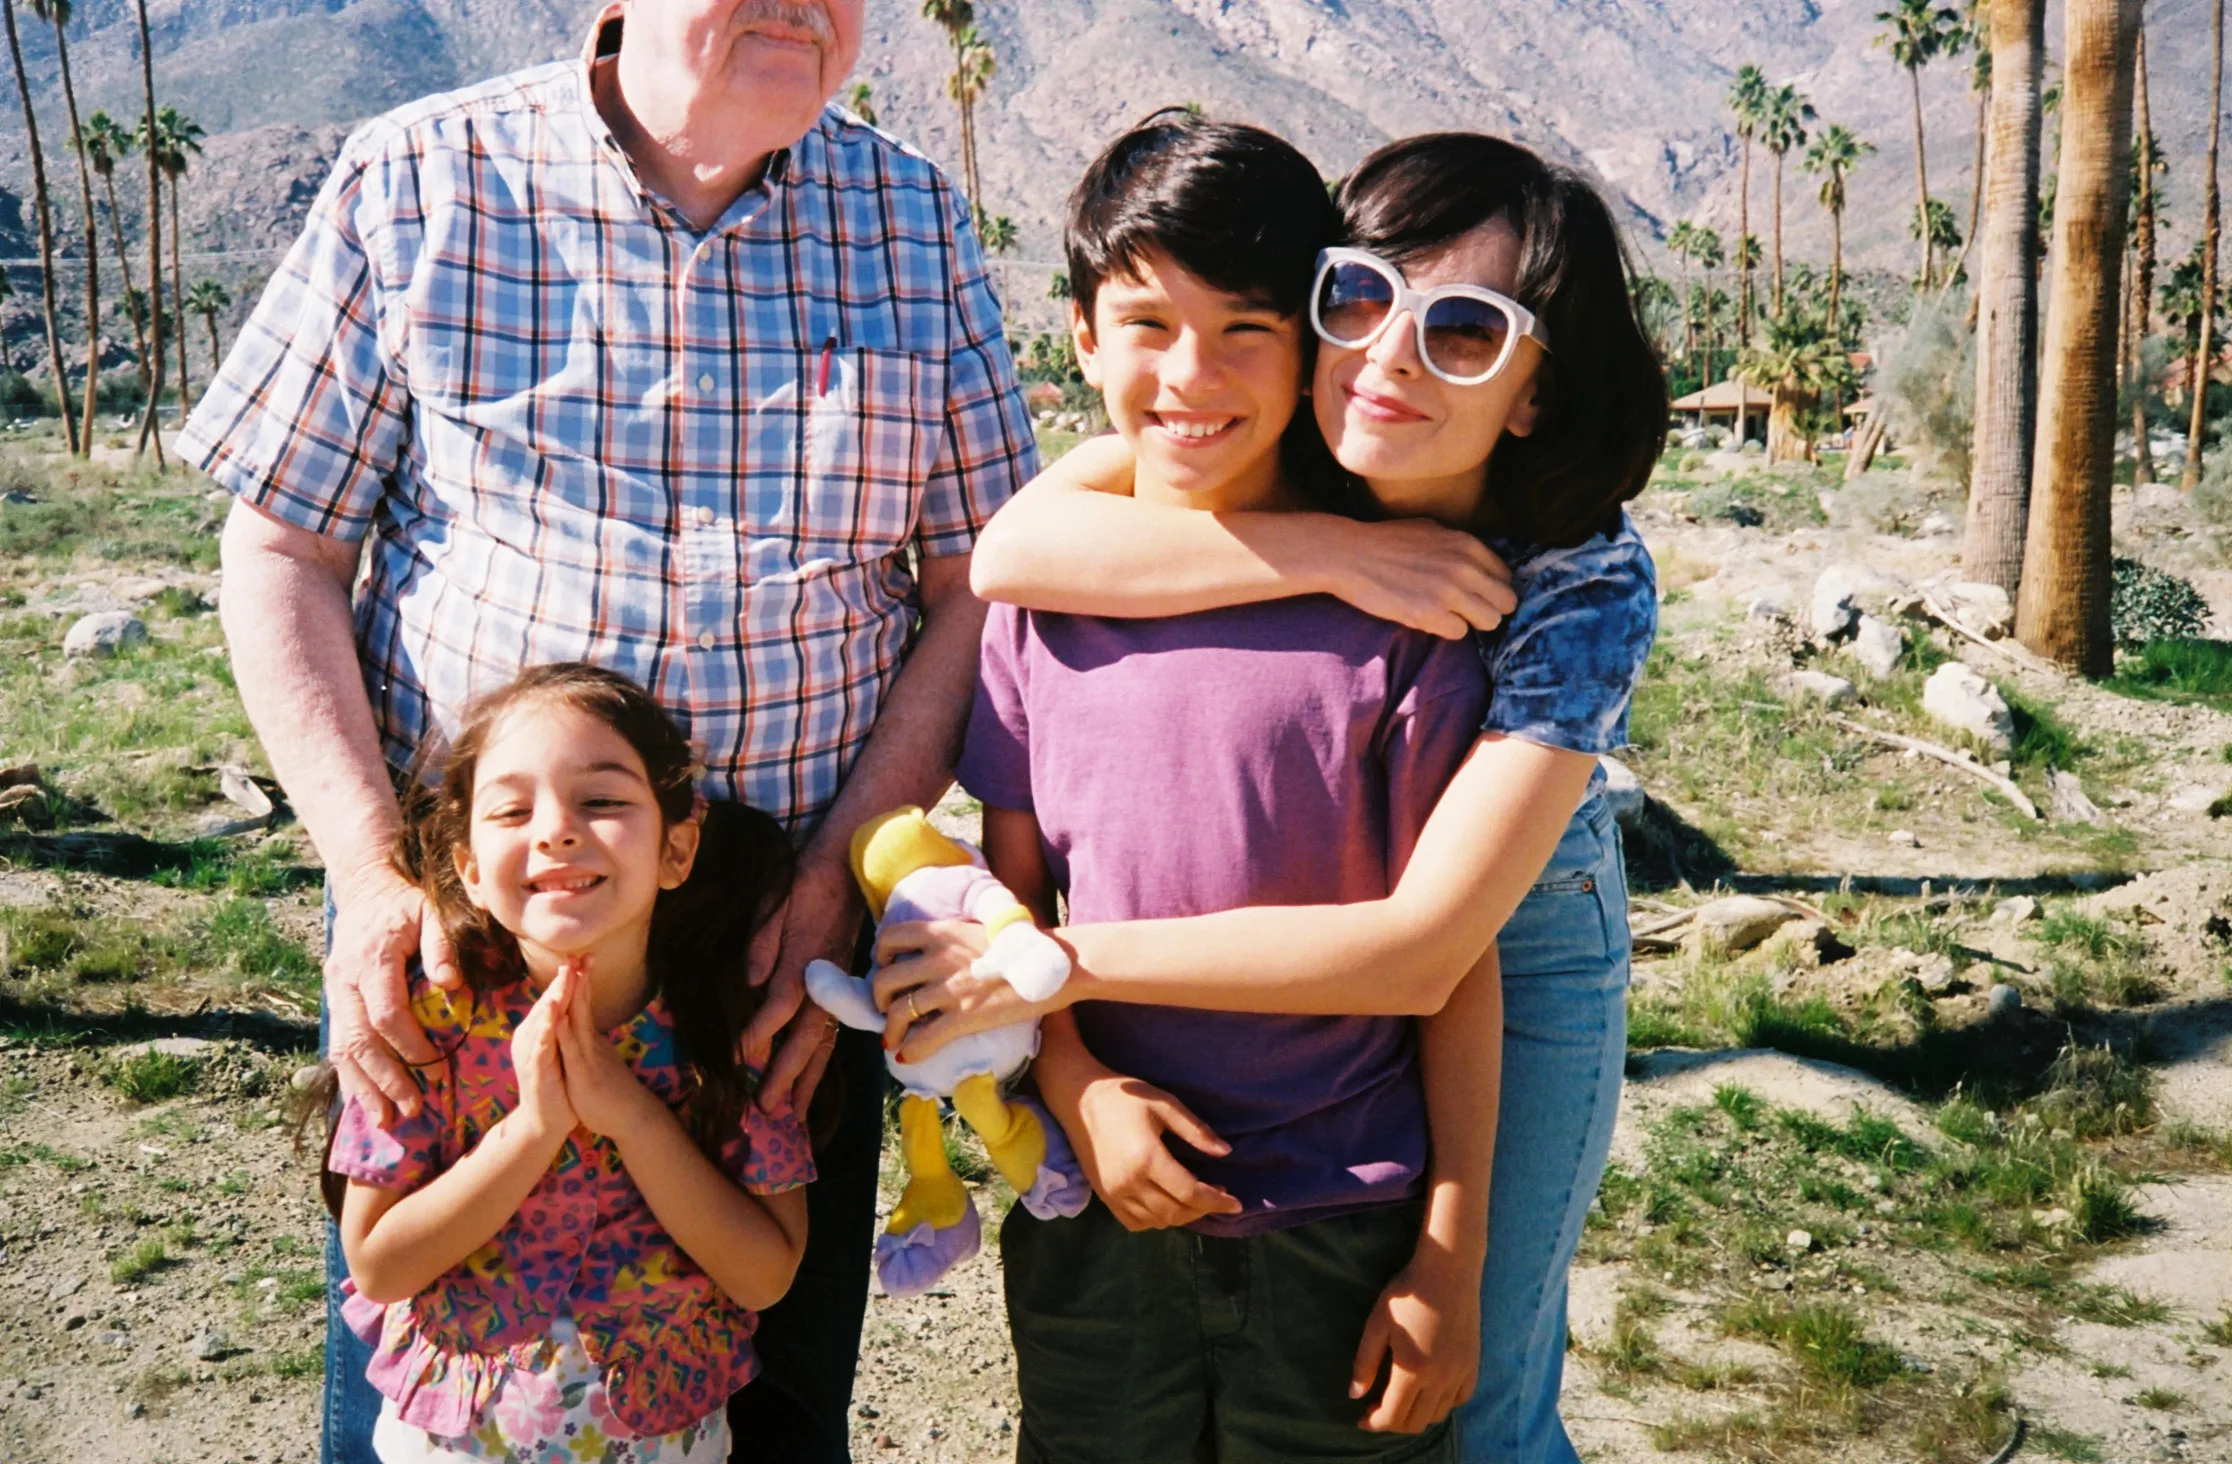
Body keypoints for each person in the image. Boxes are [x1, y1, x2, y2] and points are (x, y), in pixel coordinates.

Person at [182, 3, 1038, 1459]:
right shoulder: (422, 178)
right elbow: (282, 555)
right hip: (469, 925)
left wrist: (833, 875)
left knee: (762, 1375)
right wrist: (374, 875)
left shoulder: (911, 217)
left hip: (770, 939)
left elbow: (972, 591)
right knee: (435, 1370)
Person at [873, 132, 1666, 1464]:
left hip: (1513, 904)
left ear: (1535, 387)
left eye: (1466, 330)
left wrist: (1040, 969)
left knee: (1485, 1385)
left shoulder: (1578, 582)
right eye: (1359, 299)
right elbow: (1012, 554)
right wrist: (1332, 548)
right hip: (1217, 978)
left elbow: (1431, 955)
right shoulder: (1265, 458)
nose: (1394, 359)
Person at [948, 111, 1500, 1464]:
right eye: (1145, 322)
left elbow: (1456, 962)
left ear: (1314, 339)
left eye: (1247, 326)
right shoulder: (1045, 605)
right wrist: (1075, 1090)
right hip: (1098, 1214)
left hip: (1343, 1224)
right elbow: (1011, 904)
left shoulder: (1404, 608)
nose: (1192, 373)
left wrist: (1448, 1253)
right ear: (1080, 336)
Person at [327, 664, 813, 1462]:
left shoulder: (728, 1031)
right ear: (471, 868)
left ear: (677, 847)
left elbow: (765, 1274)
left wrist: (633, 1118)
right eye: (514, 809)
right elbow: (378, 1264)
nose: (556, 829)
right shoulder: (423, 1028)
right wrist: (534, 1129)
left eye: (603, 801)